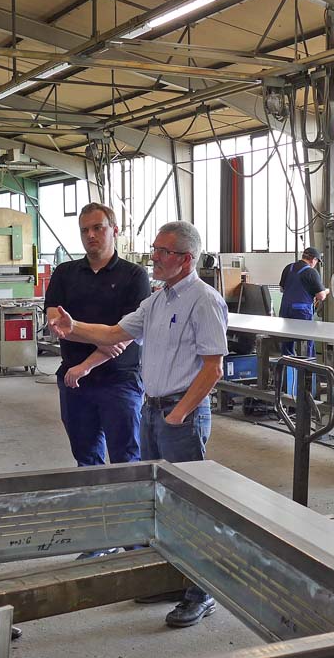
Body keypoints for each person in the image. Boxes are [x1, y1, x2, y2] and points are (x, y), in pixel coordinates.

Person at [49, 221, 228, 628]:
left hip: (180, 413)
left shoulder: (204, 300)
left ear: (186, 259)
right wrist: (73, 327)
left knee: (188, 505)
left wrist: (179, 414)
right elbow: (114, 332)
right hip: (151, 410)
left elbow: (213, 368)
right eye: (155, 249)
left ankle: (201, 593)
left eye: (164, 252)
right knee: (159, 502)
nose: (155, 257)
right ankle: (172, 580)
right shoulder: (157, 300)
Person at [44, 203, 150, 467]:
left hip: (119, 381)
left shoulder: (134, 276)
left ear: (115, 230)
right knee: (86, 459)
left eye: (98, 228)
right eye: (84, 230)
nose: (90, 235)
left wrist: (86, 364)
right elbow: (57, 325)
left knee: (126, 461)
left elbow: (127, 334)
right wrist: (106, 337)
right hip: (75, 384)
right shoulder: (64, 273)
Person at [277, 246, 329, 357]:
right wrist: (327, 291)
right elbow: (321, 296)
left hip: (285, 310)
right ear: (313, 259)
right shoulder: (311, 272)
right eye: (317, 261)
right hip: (302, 312)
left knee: (287, 340)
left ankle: (288, 365)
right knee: (306, 341)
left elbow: (282, 289)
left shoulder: (289, 268)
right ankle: (307, 366)